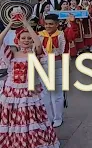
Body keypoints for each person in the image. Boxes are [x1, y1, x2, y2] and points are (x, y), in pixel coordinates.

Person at [0, 15, 60, 147]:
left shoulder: (34, 53)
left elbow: (38, 43)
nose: (26, 40)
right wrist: (10, 24)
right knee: (14, 121)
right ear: (18, 40)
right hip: (12, 92)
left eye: (29, 38)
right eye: (23, 38)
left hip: (29, 91)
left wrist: (26, 24)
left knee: (32, 119)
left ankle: (32, 143)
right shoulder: (11, 54)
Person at [38, 14, 75, 127]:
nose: (48, 26)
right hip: (43, 65)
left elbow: (72, 36)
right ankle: (49, 117)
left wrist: (71, 23)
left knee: (57, 93)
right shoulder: (40, 35)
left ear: (57, 24)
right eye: (46, 24)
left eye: (51, 24)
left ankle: (58, 117)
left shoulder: (61, 35)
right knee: (45, 93)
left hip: (58, 65)